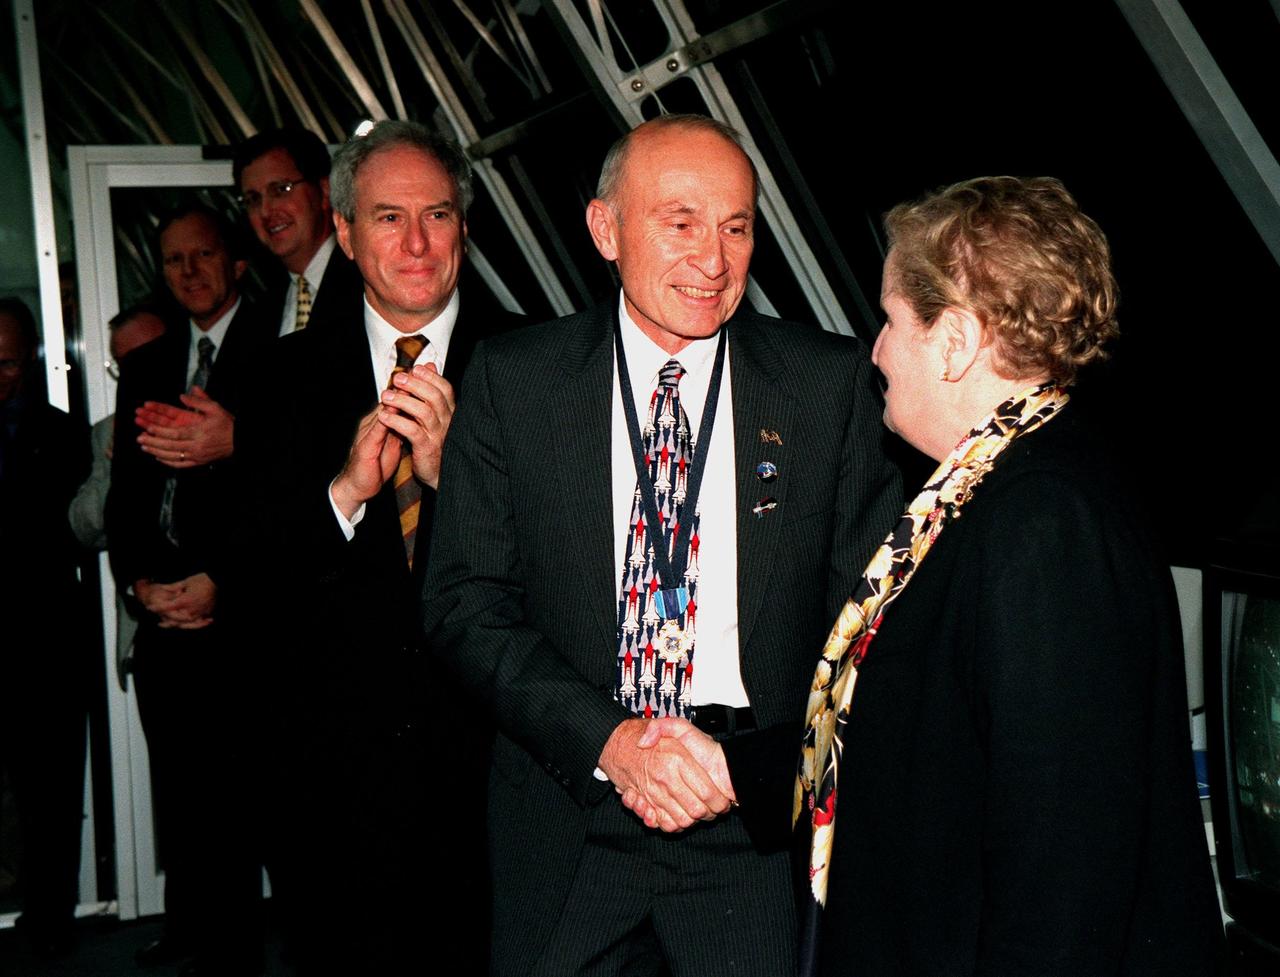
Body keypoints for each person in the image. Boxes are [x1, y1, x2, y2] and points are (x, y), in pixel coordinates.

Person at [421, 114, 901, 977]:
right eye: (680, 222)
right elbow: (465, 602)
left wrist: (752, 769)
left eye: (736, 227)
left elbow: (867, 631)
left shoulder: (828, 386)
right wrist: (608, 741)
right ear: (605, 229)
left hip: (747, 827)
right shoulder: (513, 380)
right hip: (570, 815)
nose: (713, 261)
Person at [722, 175, 1220, 975]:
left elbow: (1062, 865)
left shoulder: (1044, 523)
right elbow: (919, 730)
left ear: (953, 340)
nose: (876, 350)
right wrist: (729, 768)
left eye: (889, 320)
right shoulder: (989, 488)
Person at [234, 118, 521, 977]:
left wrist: (454, 480)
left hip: (497, 779)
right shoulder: (278, 378)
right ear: (348, 234)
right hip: (336, 788)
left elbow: (573, 577)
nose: (418, 242)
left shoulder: (537, 360)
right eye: (390, 218)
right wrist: (345, 494)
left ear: (464, 227)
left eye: (437, 214)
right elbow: (252, 581)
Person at [107, 204, 272, 977]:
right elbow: (125, 501)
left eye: (203, 255)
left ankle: (235, 952)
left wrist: (221, 584)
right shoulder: (148, 362)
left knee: (242, 804)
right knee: (182, 800)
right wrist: (140, 585)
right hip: (166, 621)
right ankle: (196, 935)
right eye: (174, 261)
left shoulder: (280, 346)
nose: (189, 273)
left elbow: (285, 495)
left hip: (241, 622)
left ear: (236, 261)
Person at [0, 297, 91, 957]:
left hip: (44, 644)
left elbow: (66, 538)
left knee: (51, 795)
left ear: (28, 358)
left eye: (5, 360)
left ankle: (51, 924)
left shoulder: (62, 433)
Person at [68, 302, 166, 690]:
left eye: (144, 358)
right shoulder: (108, 430)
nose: (133, 374)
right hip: (150, 638)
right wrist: (115, 468)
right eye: (122, 364)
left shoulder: (220, 416)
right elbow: (83, 529)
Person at [232, 126, 363, 337]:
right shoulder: (259, 314)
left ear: (324, 190)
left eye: (281, 189)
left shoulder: (366, 282)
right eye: (253, 199)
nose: (265, 211)